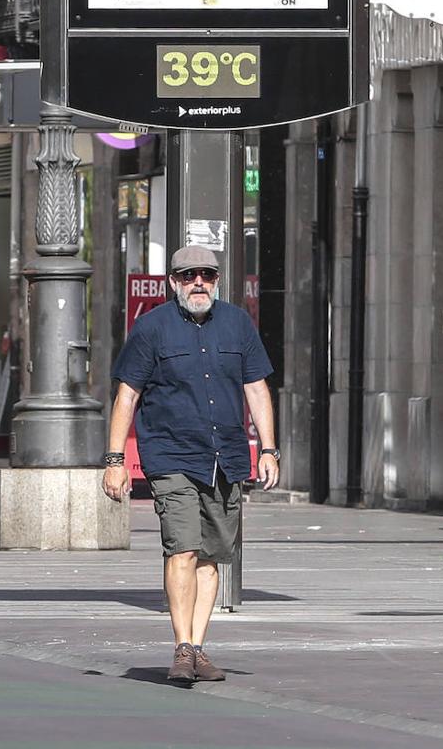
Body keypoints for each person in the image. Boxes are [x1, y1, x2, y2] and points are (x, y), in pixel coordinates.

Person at [103, 245, 280, 684]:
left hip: (226, 458)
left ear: (216, 280)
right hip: (172, 456)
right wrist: (114, 461)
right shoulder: (151, 328)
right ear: (172, 282)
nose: (198, 282)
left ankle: (198, 647)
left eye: (206, 274)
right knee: (181, 548)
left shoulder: (238, 324)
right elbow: (127, 396)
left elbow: (257, 390)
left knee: (211, 557)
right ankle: (182, 646)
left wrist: (270, 450)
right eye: (188, 276)